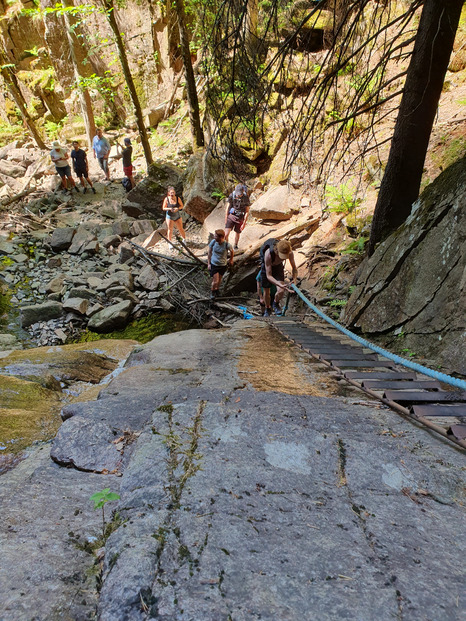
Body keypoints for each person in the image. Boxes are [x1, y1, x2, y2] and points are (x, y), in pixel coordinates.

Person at [260, 238, 297, 317]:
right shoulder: (268, 254)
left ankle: (275, 303)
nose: (283, 258)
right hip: (267, 268)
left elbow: (294, 268)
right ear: (277, 250)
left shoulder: (290, 252)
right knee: (266, 291)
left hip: (278, 267)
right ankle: (267, 308)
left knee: (281, 291)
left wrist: (294, 279)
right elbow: (268, 276)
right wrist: (278, 284)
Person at [207, 229, 234, 299]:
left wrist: (231, 260)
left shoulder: (226, 245)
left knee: (219, 280)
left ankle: (217, 290)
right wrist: (209, 263)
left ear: (221, 237)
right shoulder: (213, 242)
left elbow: (232, 251)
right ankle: (212, 292)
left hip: (222, 265)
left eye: (216, 236)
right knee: (215, 280)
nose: (214, 237)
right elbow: (209, 253)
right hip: (214, 264)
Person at [224, 183, 250, 250]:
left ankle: (235, 245)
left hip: (240, 217)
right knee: (226, 234)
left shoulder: (245, 197)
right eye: (238, 194)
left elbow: (247, 211)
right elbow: (228, 207)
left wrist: (244, 223)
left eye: (240, 194)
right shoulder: (232, 195)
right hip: (232, 216)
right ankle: (226, 247)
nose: (239, 195)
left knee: (237, 233)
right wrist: (226, 218)